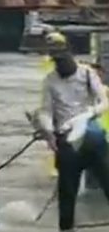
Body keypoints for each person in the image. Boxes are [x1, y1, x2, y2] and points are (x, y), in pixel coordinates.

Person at [37, 41, 109, 232]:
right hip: (66, 140)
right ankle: (66, 227)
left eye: (64, 60)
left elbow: (104, 102)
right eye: (57, 62)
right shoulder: (50, 81)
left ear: (71, 56)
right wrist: (49, 132)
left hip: (92, 137)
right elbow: (46, 111)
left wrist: (89, 113)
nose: (62, 65)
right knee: (67, 193)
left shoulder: (87, 73)